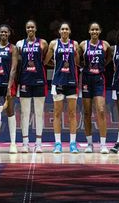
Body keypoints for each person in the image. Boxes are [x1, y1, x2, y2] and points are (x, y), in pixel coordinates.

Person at [44, 22, 80, 153]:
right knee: (57, 114)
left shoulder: (74, 44)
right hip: (58, 81)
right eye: (62, 29)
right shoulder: (54, 44)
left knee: (72, 114)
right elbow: (45, 60)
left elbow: (77, 63)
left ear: (69, 31)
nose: (64, 31)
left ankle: (72, 143)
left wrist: (75, 55)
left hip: (71, 81)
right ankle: (57, 143)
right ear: (59, 31)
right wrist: (56, 64)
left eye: (66, 29)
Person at [16, 20, 48, 153]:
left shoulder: (43, 43)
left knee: (39, 113)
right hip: (24, 80)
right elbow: (17, 62)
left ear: (36, 29)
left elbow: (46, 59)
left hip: (39, 80)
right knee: (25, 113)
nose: (30, 29)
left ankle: (38, 143)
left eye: (32, 27)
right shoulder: (19, 44)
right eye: (28, 27)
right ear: (25, 29)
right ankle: (25, 143)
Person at [78, 22, 110, 153]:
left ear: (100, 31)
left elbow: (108, 59)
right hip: (86, 79)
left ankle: (103, 144)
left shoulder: (105, 45)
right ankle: (89, 144)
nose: (94, 32)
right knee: (86, 112)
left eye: (97, 29)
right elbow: (78, 59)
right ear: (89, 31)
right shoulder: (83, 45)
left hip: (99, 79)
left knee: (101, 110)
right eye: (92, 30)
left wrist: (101, 67)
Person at [0, 24, 18, 153]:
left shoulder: (13, 48)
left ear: (9, 34)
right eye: (2, 32)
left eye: (6, 32)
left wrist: (9, 86)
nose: (4, 34)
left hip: (7, 83)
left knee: (10, 112)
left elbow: (14, 68)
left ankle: (13, 143)